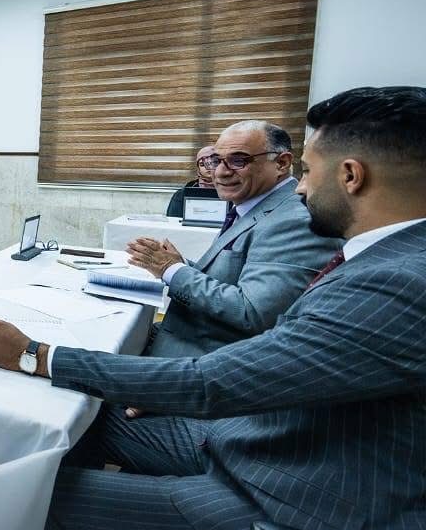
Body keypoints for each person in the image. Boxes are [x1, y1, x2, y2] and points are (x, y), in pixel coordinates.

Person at [0, 86, 426, 530]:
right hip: (278, 445)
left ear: (351, 175)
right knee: (88, 419)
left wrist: (34, 354)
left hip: (302, 519)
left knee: (30, 494)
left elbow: (212, 381)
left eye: (307, 171)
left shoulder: (398, 283)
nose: (300, 189)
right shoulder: (395, 257)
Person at [124, 121, 340, 366]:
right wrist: (179, 264)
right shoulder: (252, 205)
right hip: (184, 337)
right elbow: (233, 279)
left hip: (207, 362)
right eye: (217, 160)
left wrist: (172, 270)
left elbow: (252, 313)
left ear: (281, 163)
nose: (221, 172)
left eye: (238, 161)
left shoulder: (294, 220)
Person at [165, 145, 217, 217]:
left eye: (214, 163)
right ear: (198, 168)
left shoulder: (229, 191)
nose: (208, 168)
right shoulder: (183, 193)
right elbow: (173, 219)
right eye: (202, 164)